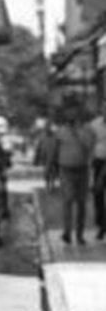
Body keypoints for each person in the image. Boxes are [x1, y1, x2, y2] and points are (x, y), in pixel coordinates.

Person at [53, 101, 96, 245]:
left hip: (82, 170)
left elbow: (90, 147)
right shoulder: (60, 131)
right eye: (69, 113)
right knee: (68, 201)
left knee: (82, 203)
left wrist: (78, 133)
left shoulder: (87, 130)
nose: (72, 116)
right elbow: (55, 150)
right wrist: (52, 168)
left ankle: (79, 234)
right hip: (65, 170)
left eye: (74, 113)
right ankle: (67, 232)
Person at [91, 100, 106, 239]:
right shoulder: (95, 125)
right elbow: (90, 144)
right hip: (98, 162)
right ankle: (101, 225)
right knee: (98, 194)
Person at [35, 120, 60, 191]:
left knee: (53, 172)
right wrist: (37, 158)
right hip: (45, 158)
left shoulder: (56, 136)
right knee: (46, 173)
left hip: (54, 157)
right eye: (46, 127)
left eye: (49, 127)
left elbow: (58, 146)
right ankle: (47, 185)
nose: (48, 128)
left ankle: (52, 185)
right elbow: (38, 147)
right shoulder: (42, 137)